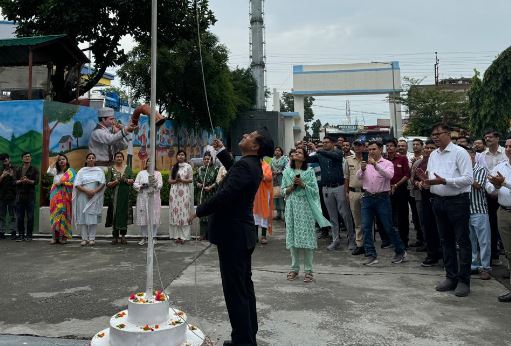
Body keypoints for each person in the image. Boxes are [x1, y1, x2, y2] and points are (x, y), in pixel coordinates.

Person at [189, 129, 274, 346]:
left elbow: (226, 195)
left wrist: (198, 211)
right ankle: (246, 337)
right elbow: (235, 171)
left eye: (249, 136)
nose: (245, 135)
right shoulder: (251, 165)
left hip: (233, 235)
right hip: (241, 234)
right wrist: (222, 152)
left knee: (235, 292)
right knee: (243, 288)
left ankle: (243, 342)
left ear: (255, 147)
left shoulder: (247, 166)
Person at [419, 123, 473, 297]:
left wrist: (445, 181)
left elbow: (468, 179)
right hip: (438, 201)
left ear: (448, 134)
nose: (435, 137)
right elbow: (431, 176)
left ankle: (464, 280)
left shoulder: (460, 152)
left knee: (462, 242)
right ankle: (451, 277)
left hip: (458, 202)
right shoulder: (434, 154)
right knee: (445, 240)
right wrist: (424, 181)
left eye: (438, 134)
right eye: (433, 134)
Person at [282, 147, 331, 283]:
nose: (296, 154)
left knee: (307, 238)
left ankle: (309, 270)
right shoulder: (287, 172)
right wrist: (291, 187)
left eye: (299, 153)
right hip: (291, 207)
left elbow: (315, 191)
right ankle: (294, 269)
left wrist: (303, 185)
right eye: (295, 152)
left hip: (305, 207)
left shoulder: (309, 172)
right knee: (292, 238)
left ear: (304, 158)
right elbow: (282, 191)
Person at [356, 141, 407, 266]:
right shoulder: (366, 163)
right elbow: (358, 177)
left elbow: (389, 175)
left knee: (388, 226)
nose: (371, 152)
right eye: (369, 149)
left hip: (382, 198)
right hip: (367, 197)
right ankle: (371, 255)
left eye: (373, 149)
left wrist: (376, 166)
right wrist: (362, 169)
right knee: (366, 227)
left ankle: (400, 251)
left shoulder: (387, 163)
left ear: (380, 149)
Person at [308, 136, 355, 251]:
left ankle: (352, 239)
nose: (324, 144)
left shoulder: (338, 153)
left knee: (345, 214)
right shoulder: (320, 155)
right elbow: (307, 160)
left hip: (339, 187)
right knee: (332, 216)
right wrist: (304, 150)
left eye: (327, 142)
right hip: (326, 188)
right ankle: (335, 240)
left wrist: (318, 150)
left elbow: (333, 156)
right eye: (323, 142)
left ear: (333, 144)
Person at [462, 146, 492, 280]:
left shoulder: (480, 169)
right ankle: (474, 265)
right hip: (465, 211)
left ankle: (486, 267)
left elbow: (478, 185)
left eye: (467, 156)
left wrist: (464, 177)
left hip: (479, 210)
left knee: (484, 241)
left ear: (473, 156)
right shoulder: (462, 170)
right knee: (470, 240)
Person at [413, 140, 442, 267]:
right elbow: (412, 179)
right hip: (424, 198)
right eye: (427, 148)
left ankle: (444, 254)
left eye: (431, 148)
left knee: (441, 228)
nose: (428, 150)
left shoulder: (440, 162)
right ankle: (431, 254)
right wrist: (418, 183)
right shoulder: (419, 163)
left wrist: (430, 182)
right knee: (427, 226)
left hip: (439, 196)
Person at [483, 130, 507, 266]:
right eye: (486, 137)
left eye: (490, 137)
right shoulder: (482, 155)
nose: (488, 139)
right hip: (490, 193)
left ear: (498, 138)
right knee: (491, 224)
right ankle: (494, 254)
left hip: (506, 193)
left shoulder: (505, 152)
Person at [73, 153, 106, 246]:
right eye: (89, 158)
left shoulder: (99, 170)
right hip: (83, 196)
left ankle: (92, 238)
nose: (91, 159)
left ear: (95, 160)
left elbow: (103, 183)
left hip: (95, 196)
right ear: (86, 160)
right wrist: (87, 191)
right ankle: (84, 239)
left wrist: (94, 191)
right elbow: (77, 184)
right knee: (82, 217)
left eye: (93, 158)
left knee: (93, 217)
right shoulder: (81, 171)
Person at [386, 138, 411, 248]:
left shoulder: (402, 159)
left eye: (391, 145)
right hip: (387, 190)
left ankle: (404, 241)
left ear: (395, 147)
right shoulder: (384, 160)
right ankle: (393, 240)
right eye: (387, 146)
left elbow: (407, 175)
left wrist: (396, 185)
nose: (389, 148)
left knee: (402, 217)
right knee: (390, 217)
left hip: (401, 190)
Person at [105, 152, 134, 245]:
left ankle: (123, 237)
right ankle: (115, 237)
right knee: (115, 214)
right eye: (117, 157)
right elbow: (108, 184)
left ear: (123, 158)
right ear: (114, 158)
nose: (119, 158)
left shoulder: (128, 168)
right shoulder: (111, 169)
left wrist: (125, 180)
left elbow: (132, 181)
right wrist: (117, 181)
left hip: (125, 196)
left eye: (120, 157)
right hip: (115, 197)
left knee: (124, 215)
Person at [47, 154, 76, 244]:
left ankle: (62, 237)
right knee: (55, 215)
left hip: (66, 197)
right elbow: (48, 172)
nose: (61, 161)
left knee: (64, 215)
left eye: (63, 159)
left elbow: (75, 184)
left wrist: (63, 183)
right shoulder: (56, 171)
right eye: (59, 160)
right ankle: (54, 237)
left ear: (67, 161)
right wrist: (55, 160)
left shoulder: (71, 172)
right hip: (55, 197)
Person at [133, 159, 163, 246]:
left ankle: (153, 237)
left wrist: (154, 184)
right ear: (146, 163)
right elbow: (135, 184)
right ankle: (144, 237)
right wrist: (142, 186)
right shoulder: (141, 173)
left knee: (153, 217)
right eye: (148, 161)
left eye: (152, 161)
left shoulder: (158, 173)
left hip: (154, 198)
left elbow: (160, 184)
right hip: (142, 197)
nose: (150, 163)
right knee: (143, 218)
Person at [343, 140, 365, 255]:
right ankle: (360, 244)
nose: (357, 147)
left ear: (364, 147)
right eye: (355, 145)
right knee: (357, 221)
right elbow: (346, 177)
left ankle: (368, 244)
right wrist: (346, 192)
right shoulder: (348, 160)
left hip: (366, 193)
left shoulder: (368, 159)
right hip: (353, 192)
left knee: (367, 220)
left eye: (360, 145)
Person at [168, 150, 194, 244]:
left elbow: (191, 179)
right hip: (174, 192)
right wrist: (176, 181)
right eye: (179, 155)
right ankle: (177, 237)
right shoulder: (173, 167)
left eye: (182, 155)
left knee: (184, 213)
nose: (181, 156)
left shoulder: (188, 166)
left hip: (184, 192)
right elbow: (169, 180)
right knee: (175, 213)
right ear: (177, 156)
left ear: (185, 157)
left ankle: (184, 237)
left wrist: (182, 180)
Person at [194, 152, 219, 240]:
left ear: (211, 160)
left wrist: (211, 187)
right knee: (202, 213)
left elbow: (218, 181)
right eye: (205, 159)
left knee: (211, 214)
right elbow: (195, 180)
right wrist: (198, 184)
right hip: (202, 194)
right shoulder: (200, 169)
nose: (206, 160)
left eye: (208, 159)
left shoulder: (216, 169)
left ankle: (211, 234)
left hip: (211, 194)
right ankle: (202, 234)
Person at [14, 152, 39, 242]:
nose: (27, 158)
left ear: (31, 158)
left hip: (30, 196)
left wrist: (28, 180)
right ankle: (21, 235)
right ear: (22, 159)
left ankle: (29, 235)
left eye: (28, 157)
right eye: (25, 157)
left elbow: (36, 182)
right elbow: (14, 182)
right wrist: (20, 181)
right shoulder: (18, 169)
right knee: (20, 217)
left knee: (30, 217)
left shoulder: (34, 169)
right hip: (20, 196)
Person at [253, 160, 273, 244]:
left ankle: (263, 236)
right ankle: (254, 236)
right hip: (254, 193)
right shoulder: (252, 164)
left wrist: (260, 174)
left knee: (264, 213)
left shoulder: (266, 166)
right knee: (254, 214)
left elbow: (269, 177)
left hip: (265, 193)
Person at [0, 154, 17, 240]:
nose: (4, 162)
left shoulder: (15, 169)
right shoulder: (1, 169)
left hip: (12, 196)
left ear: (9, 159)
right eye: (3, 161)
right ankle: (1, 232)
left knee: (12, 216)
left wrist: (11, 175)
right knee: (1, 215)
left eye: (5, 160)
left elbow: (17, 181)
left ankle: (13, 232)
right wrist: (2, 176)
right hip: (2, 196)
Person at [270, 146, 288, 220]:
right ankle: (278, 213)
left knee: (281, 194)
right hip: (274, 178)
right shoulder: (271, 160)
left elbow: (287, 168)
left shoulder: (285, 159)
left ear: (281, 152)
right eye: (276, 150)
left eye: (279, 150)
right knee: (275, 195)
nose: (277, 152)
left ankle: (284, 213)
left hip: (282, 178)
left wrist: (280, 172)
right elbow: (269, 168)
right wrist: (272, 172)